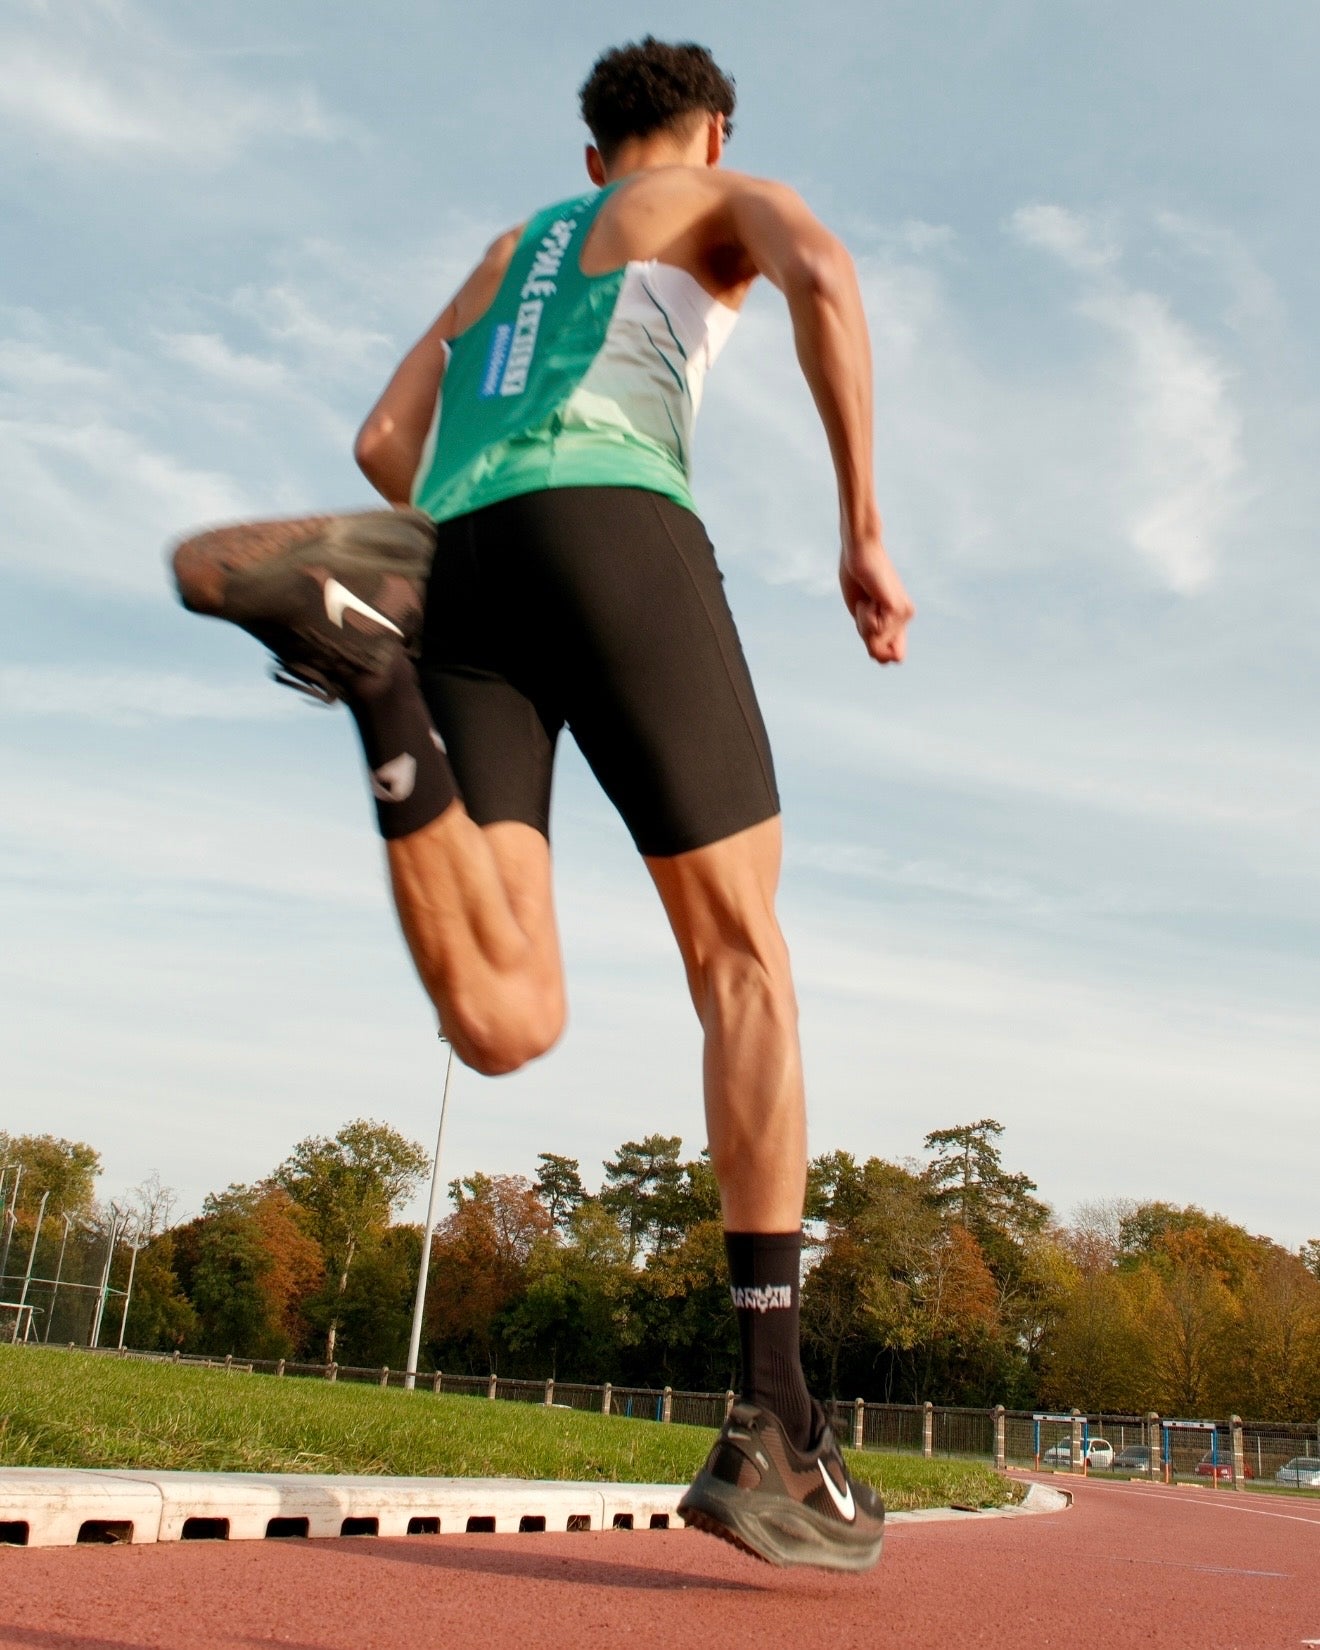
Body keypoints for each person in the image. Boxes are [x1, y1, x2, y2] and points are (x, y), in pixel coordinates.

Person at [171, 36, 912, 1571]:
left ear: (590, 157)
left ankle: (376, 685)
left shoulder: (511, 251)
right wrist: (862, 531)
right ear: (709, 133)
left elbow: (383, 446)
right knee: (743, 960)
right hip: (614, 520)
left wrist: (424, 572)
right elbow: (825, 273)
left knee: (504, 1017)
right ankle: (772, 1407)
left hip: (457, 562)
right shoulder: (719, 199)